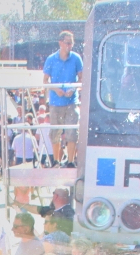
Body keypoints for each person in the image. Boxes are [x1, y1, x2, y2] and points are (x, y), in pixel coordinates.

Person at [43, 31, 83, 166]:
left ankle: (71, 161)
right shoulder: (51, 59)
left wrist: (73, 89)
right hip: (55, 102)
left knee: (72, 132)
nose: (70, 46)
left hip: (72, 102)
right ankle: (56, 161)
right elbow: (45, 80)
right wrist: (55, 89)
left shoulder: (76, 58)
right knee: (55, 133)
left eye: (72, 43)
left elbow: (82, 78)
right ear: (60, 43)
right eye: (67, 43)